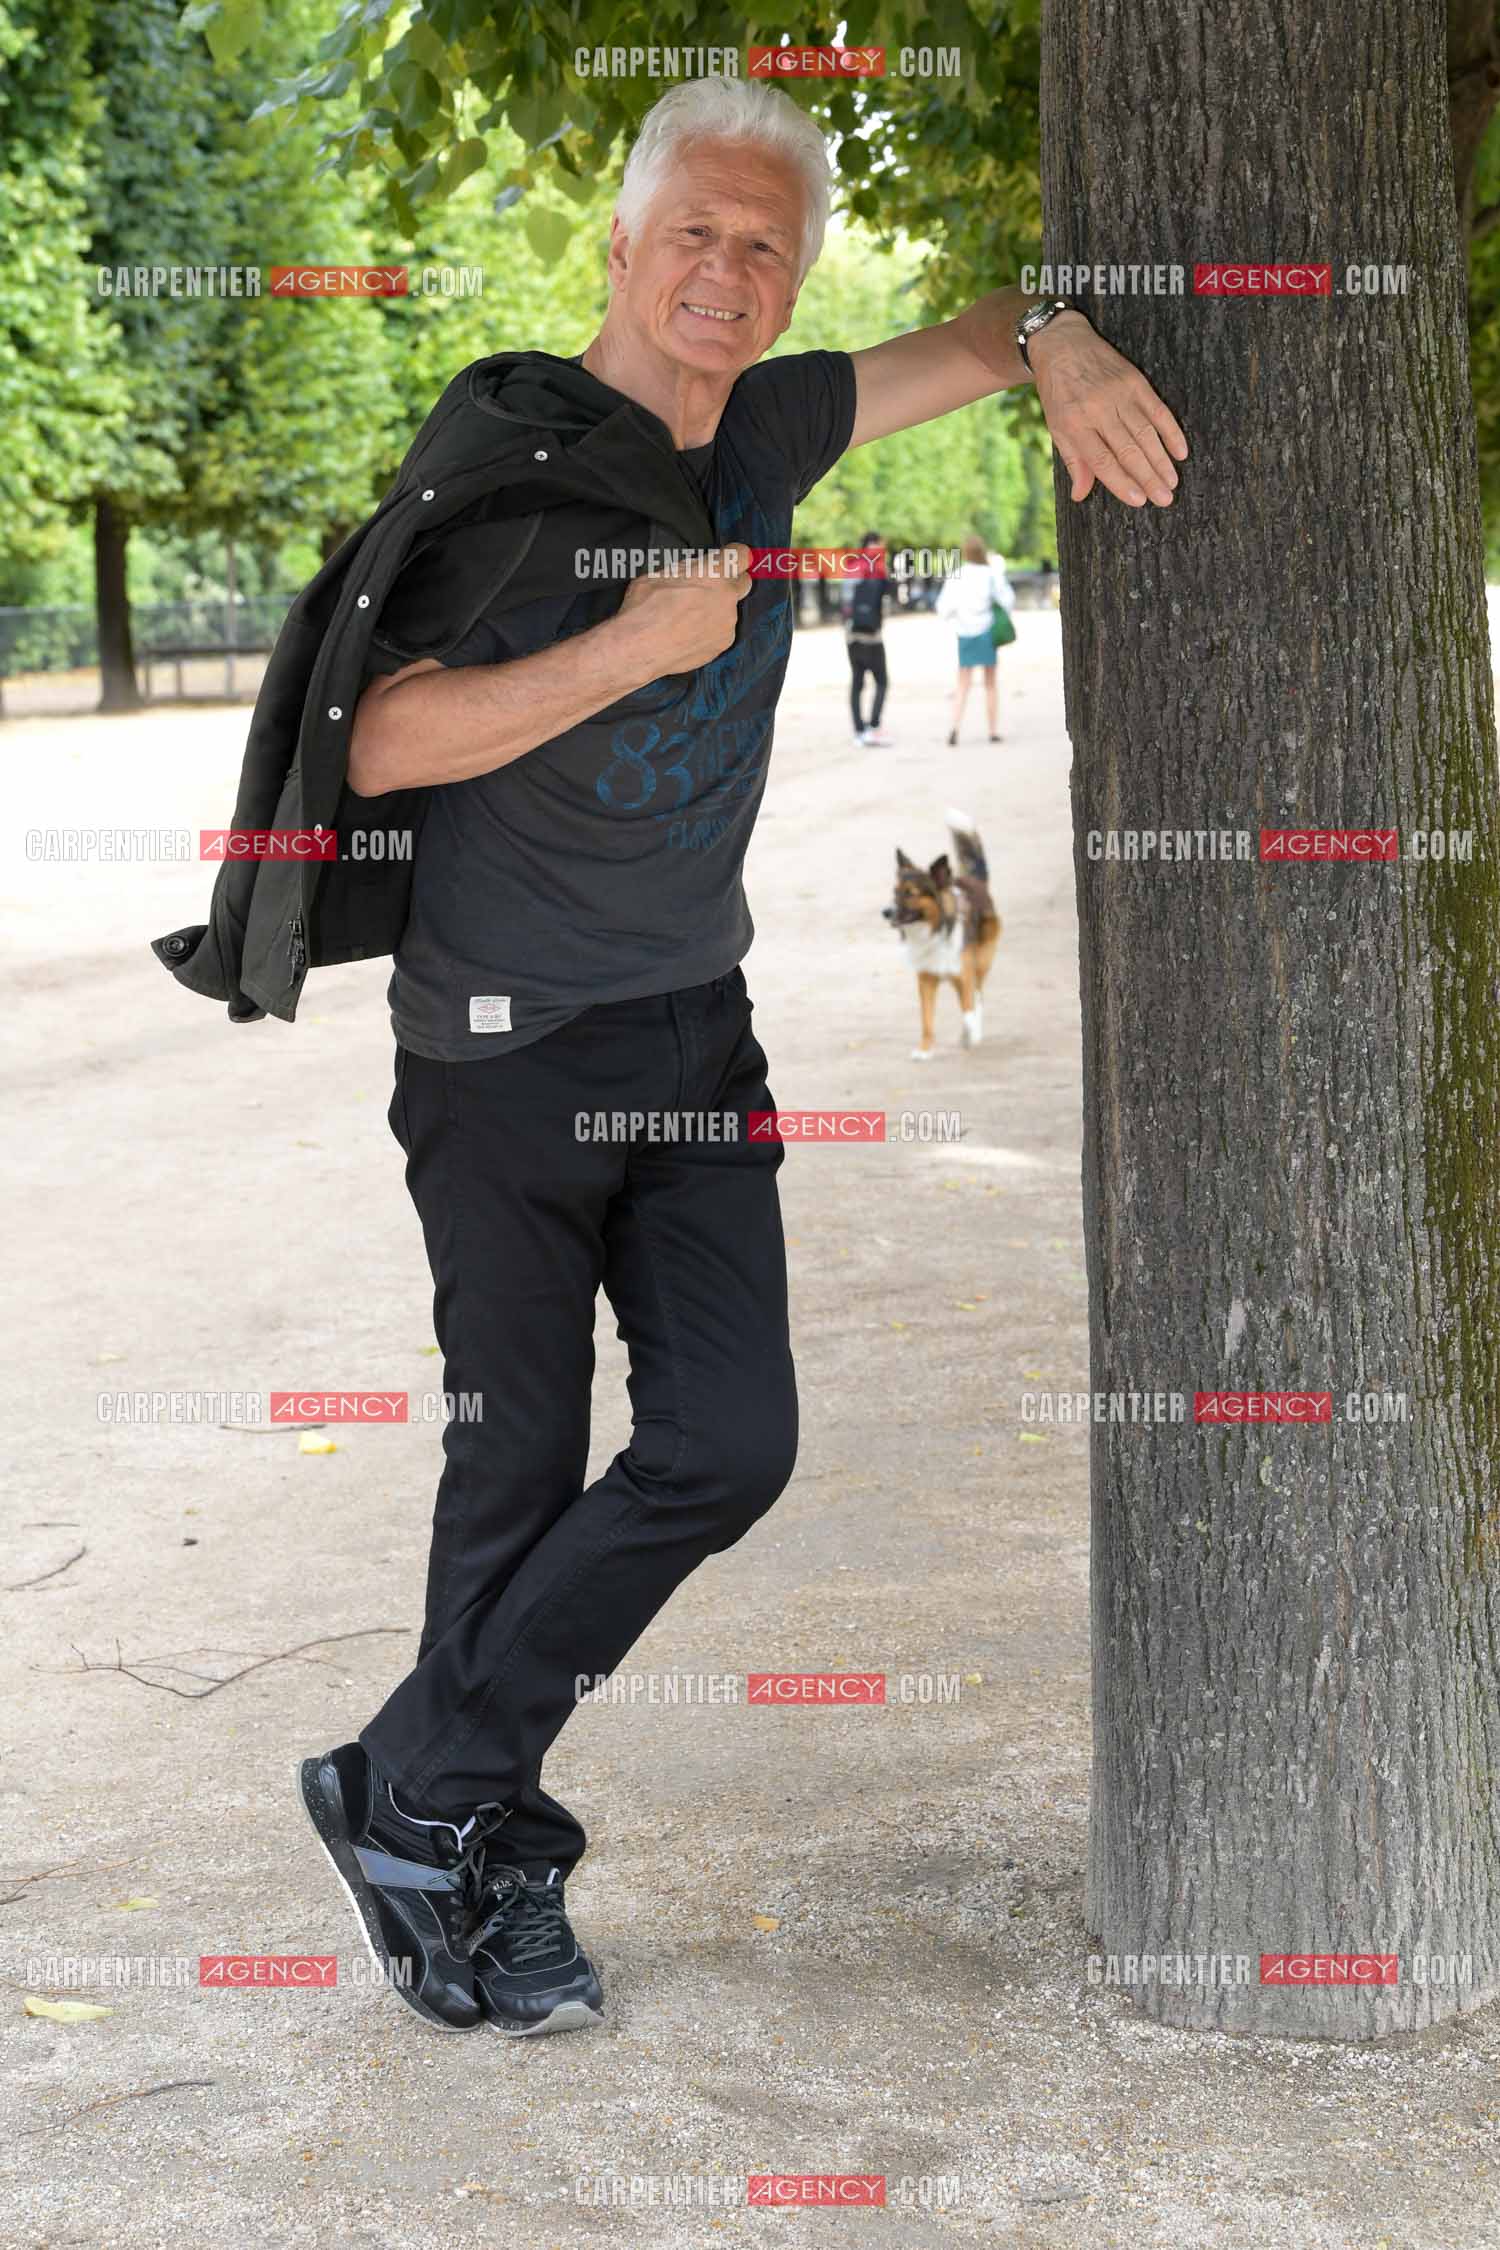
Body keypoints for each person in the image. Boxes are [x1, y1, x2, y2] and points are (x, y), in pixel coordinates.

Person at [297, 74, 1188, 2040]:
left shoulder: (774, 421)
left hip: (694, 1027)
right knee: (515, 1462)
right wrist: (632, 646)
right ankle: (472, 1856)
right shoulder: (518, 456)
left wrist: (1060, 339)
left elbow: (972, 336)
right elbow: (380, 743)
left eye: (765, 244)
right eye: (693, 231)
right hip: (503, 1052)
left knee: (732, 1440)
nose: (726, 269)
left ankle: (410, 1783)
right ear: (621, 246)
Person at [937, 533, 1014, 745]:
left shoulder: (957, 575)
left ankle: (954, 727)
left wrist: (958, 618)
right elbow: (1007, 599)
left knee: (963, 683)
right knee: (990, 683)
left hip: (964, 633)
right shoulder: (991, 574)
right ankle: (992, 730)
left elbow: (944, 607)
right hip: (986, 632)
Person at [843, 527, 891, 745]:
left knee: (857, 682)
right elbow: (886, 605)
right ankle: (874, 725)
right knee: (881, 681)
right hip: (873, 637)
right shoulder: (880, 570)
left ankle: (859, 731)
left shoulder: (851, 568)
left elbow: (845, 605)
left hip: (852, 636)